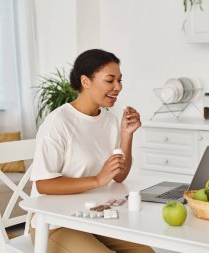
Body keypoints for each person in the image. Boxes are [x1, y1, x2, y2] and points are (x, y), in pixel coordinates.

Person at [29, 49, 154, 253]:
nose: (118, 87)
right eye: (110, 80)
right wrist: (97, 180)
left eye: (120, 80)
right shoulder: (58, 122)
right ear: (86, 81)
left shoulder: (109, 121)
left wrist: (127, 135)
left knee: (145, 252)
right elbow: (43, 184)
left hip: (93, 215)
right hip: (55, 223)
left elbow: (120, 176)